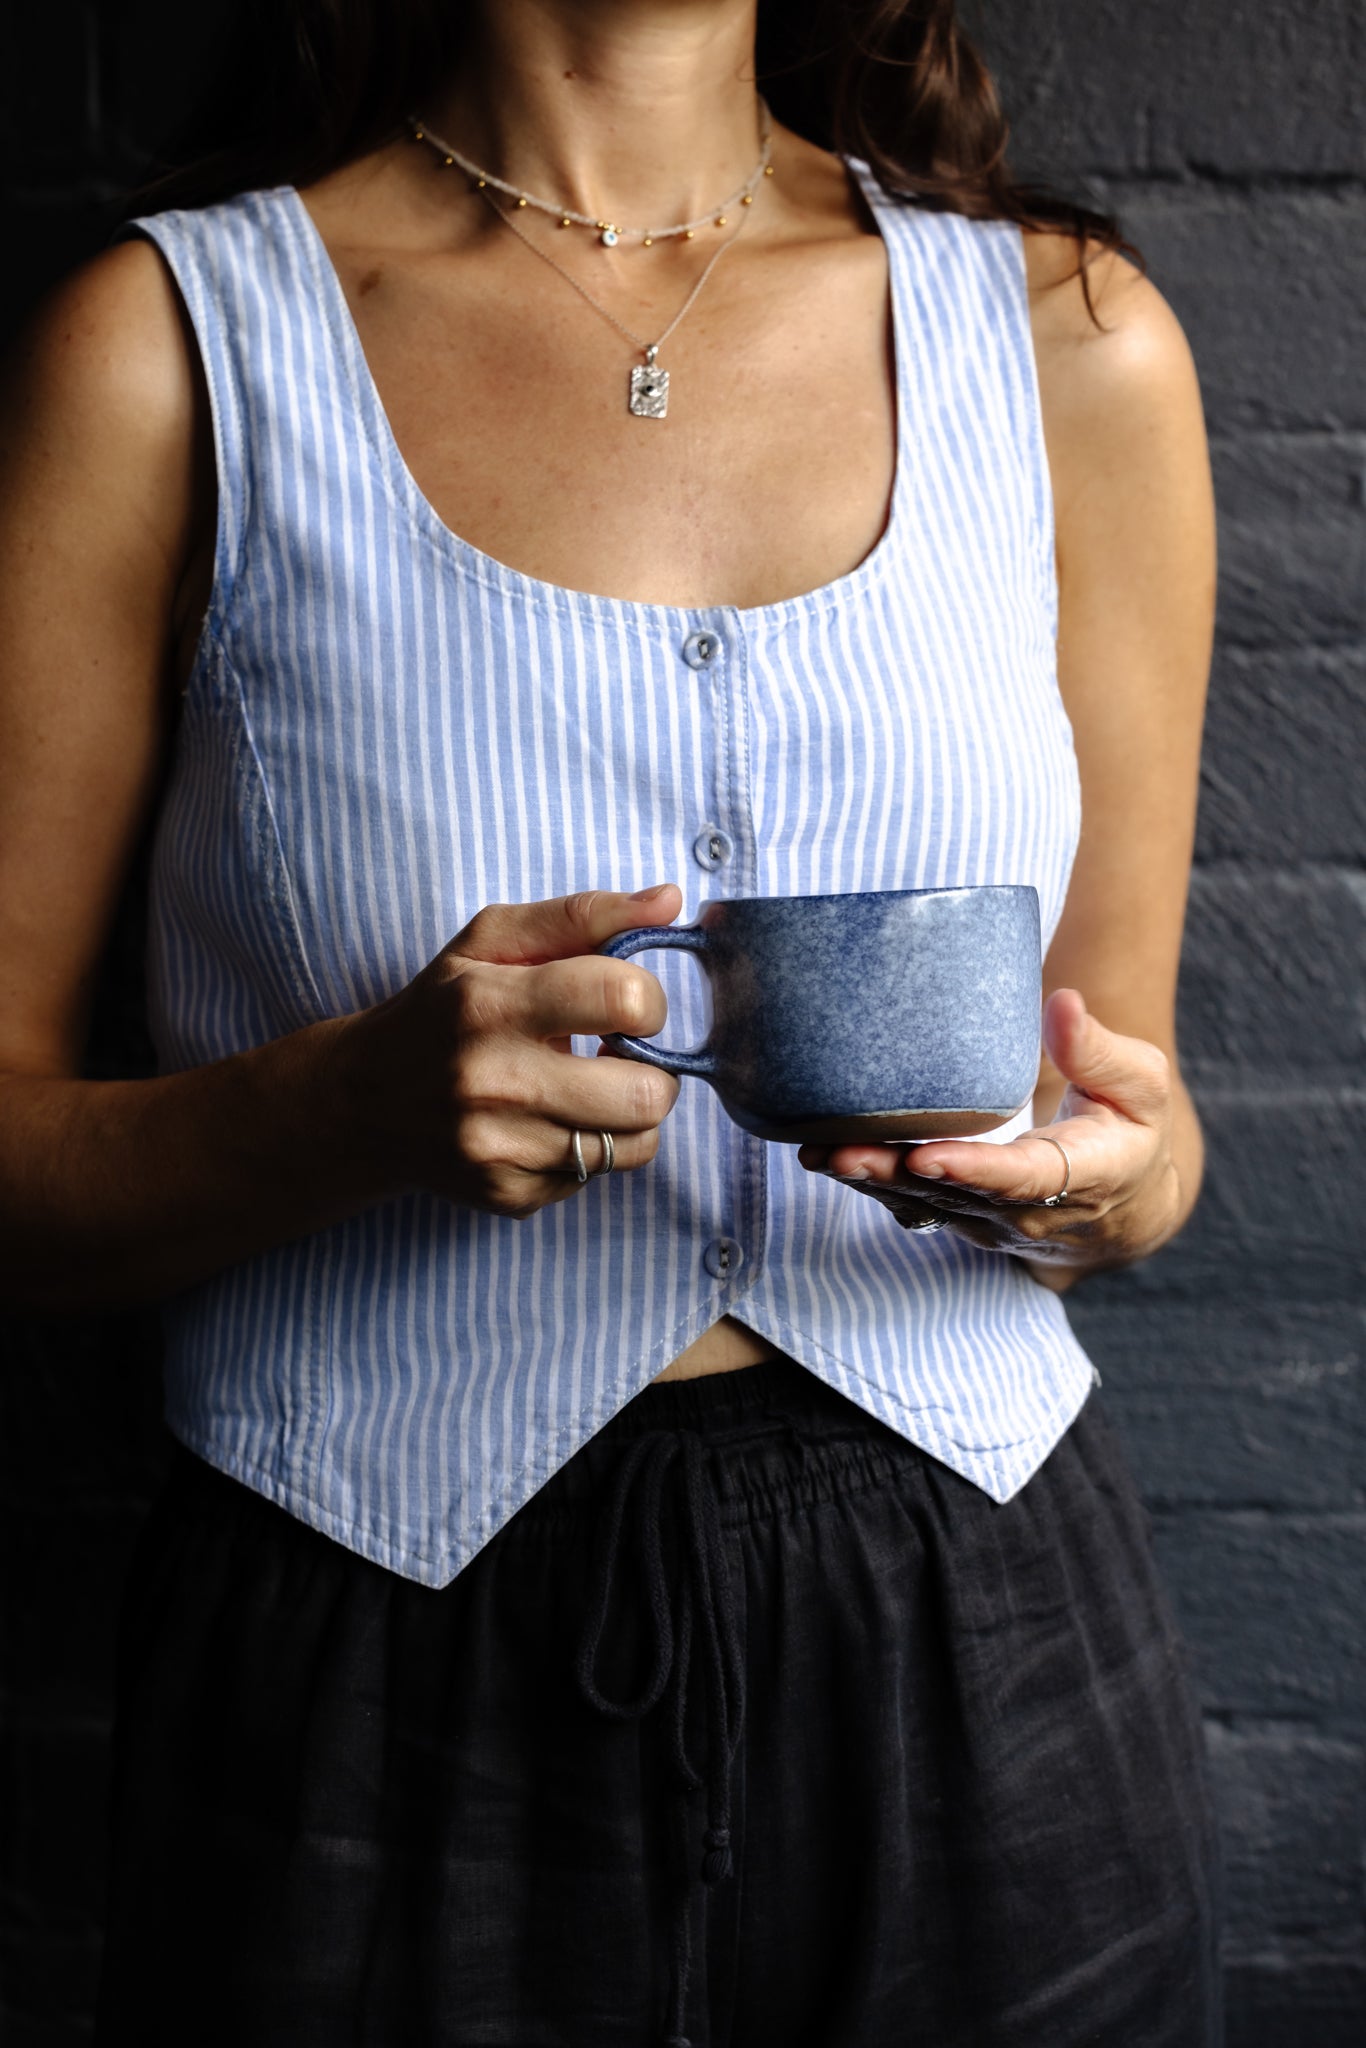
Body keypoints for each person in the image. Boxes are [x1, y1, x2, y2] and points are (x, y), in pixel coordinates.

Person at [0, 0, 1220, 2042]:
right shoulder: (163, 352)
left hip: (978, 1628)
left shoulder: (1068, 340)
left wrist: (1111, 1183)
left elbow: (1136, 1103)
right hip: (366, 1651)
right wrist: (341, 1114)